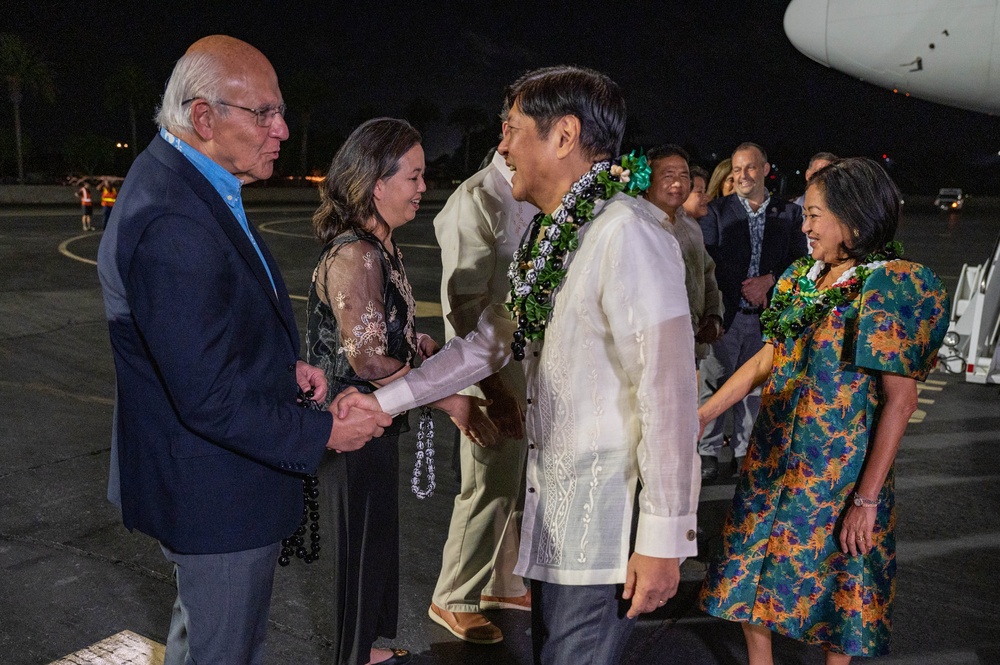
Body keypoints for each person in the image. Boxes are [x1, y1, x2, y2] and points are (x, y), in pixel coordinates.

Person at [336, 65, 701, 665]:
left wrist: (664, 539)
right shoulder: (555, 236)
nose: (501, 145)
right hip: (552, 512)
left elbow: (668, 393)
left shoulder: (626, 235)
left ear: (563, 135)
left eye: (512, 129)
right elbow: (486, 343)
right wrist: (382, 401)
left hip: (599, 529)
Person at [96, 35, 391, 665]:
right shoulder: (174, 218)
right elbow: (207, 396)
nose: (282, 129)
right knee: (225, 651)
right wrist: (322, 437)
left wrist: (282, 367)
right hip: (214, 491)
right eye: (265, 113)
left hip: (210, 480)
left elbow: (200, 334)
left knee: (200, 637)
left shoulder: (188, 184)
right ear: (204, 117)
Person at [699, 157, 950, 663]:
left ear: (854, 222)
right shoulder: (799, 278)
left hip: (839, 473)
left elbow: (901, 402)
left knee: (842, 580)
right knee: (749, 566)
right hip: (772, 459)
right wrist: (702, 413)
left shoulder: (890, 286)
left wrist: (866, 500)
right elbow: (772, 355)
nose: (805, 224)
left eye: (814, 215)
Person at [306, 117, 496, 665]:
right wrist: (450, 399)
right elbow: (365, 358)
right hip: (352, 419)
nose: (422, 188)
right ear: (374, 183)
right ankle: (353, 655)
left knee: (376, 540)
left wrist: (413, 340)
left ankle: (364, 649)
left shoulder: (381, 246)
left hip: (377, 417)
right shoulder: (358, 253)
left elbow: (378, 333)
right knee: (361, 545)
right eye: (412, 177)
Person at [428, 147, 538, 644]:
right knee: (487, 484)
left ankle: (503, 581)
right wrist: (491, 386)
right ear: (509, 132)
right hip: (489, 362)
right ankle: (455, 597)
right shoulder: (475, 198)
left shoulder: (530, 190)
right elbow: (463, 301)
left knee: (515, 478)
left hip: (529, 356)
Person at [697, 142, 807, 483]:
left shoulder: (789, 214)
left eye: (749, 168)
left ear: (764, 169)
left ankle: (744, 450)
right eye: (737, 170)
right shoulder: (717, 211)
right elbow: (709, 260)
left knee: (754, 389)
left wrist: (768, 282)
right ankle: (709, 452)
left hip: (765, 318)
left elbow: (800, 263)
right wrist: (742, 287)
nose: (742, 175)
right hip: (729, 316)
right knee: (715, 383)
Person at [641, 144, 723, 364]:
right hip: (650, 350)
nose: (677, 183)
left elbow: (708, 273)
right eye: (668, 176)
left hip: (692, 345)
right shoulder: (636, 224)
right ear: (646, 181)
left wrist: (714, 316)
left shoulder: (690, 225)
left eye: (684, 176)